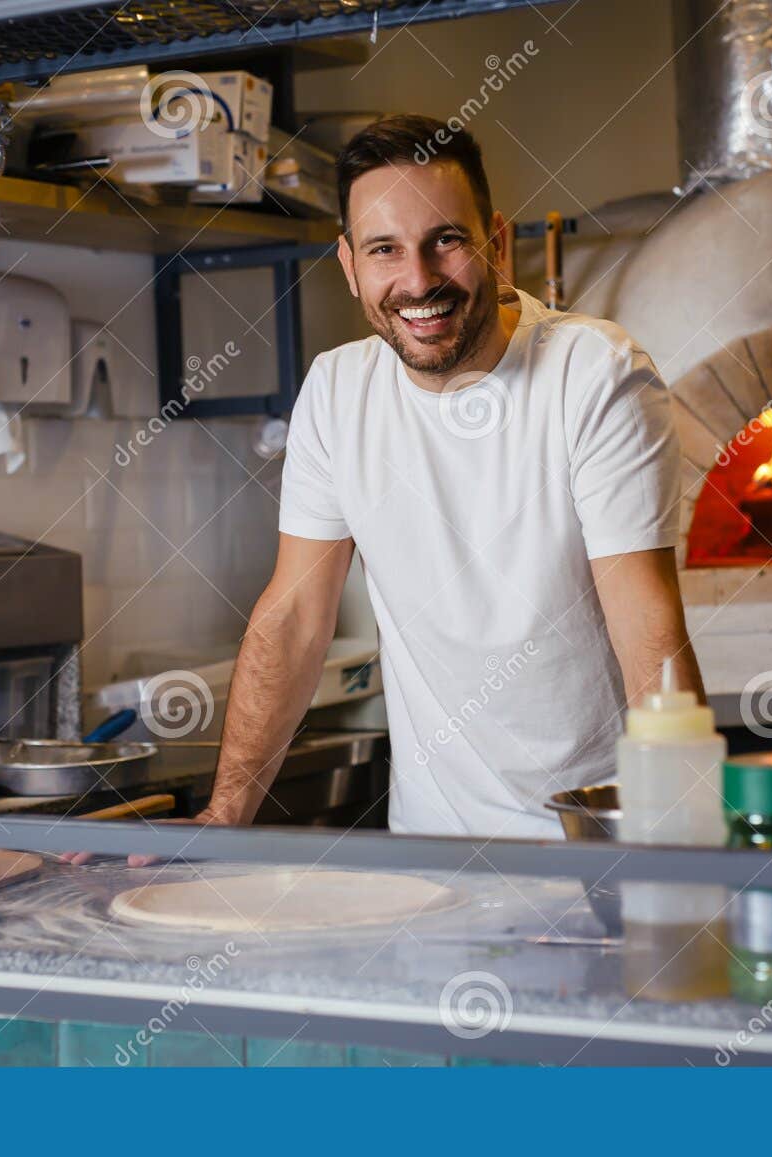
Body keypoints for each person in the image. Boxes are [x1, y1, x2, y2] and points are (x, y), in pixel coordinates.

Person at [67, 112, 705, 863]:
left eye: (446, 240)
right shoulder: (338, 392)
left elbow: (648, 627)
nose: (419, 280)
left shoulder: (592, 373)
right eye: (384, 250)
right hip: (430, 861)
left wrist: (686, 845)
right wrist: (225, 811)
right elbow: (296, 613)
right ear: (349, 265)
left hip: (592, 847)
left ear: (495, 243)